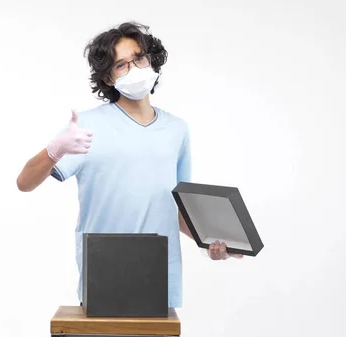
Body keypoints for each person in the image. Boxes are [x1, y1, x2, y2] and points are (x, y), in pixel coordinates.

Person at [16, 21, 241, 309]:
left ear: (151, 59)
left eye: (139, 58)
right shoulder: (87, 126)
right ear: (108, 78)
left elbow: (178, 207)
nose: (134, 69)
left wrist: (211, 240)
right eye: (122, 65)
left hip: (159, 270)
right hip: (105, 267)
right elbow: (24, 183)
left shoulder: (177, 130)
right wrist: (54, 151)